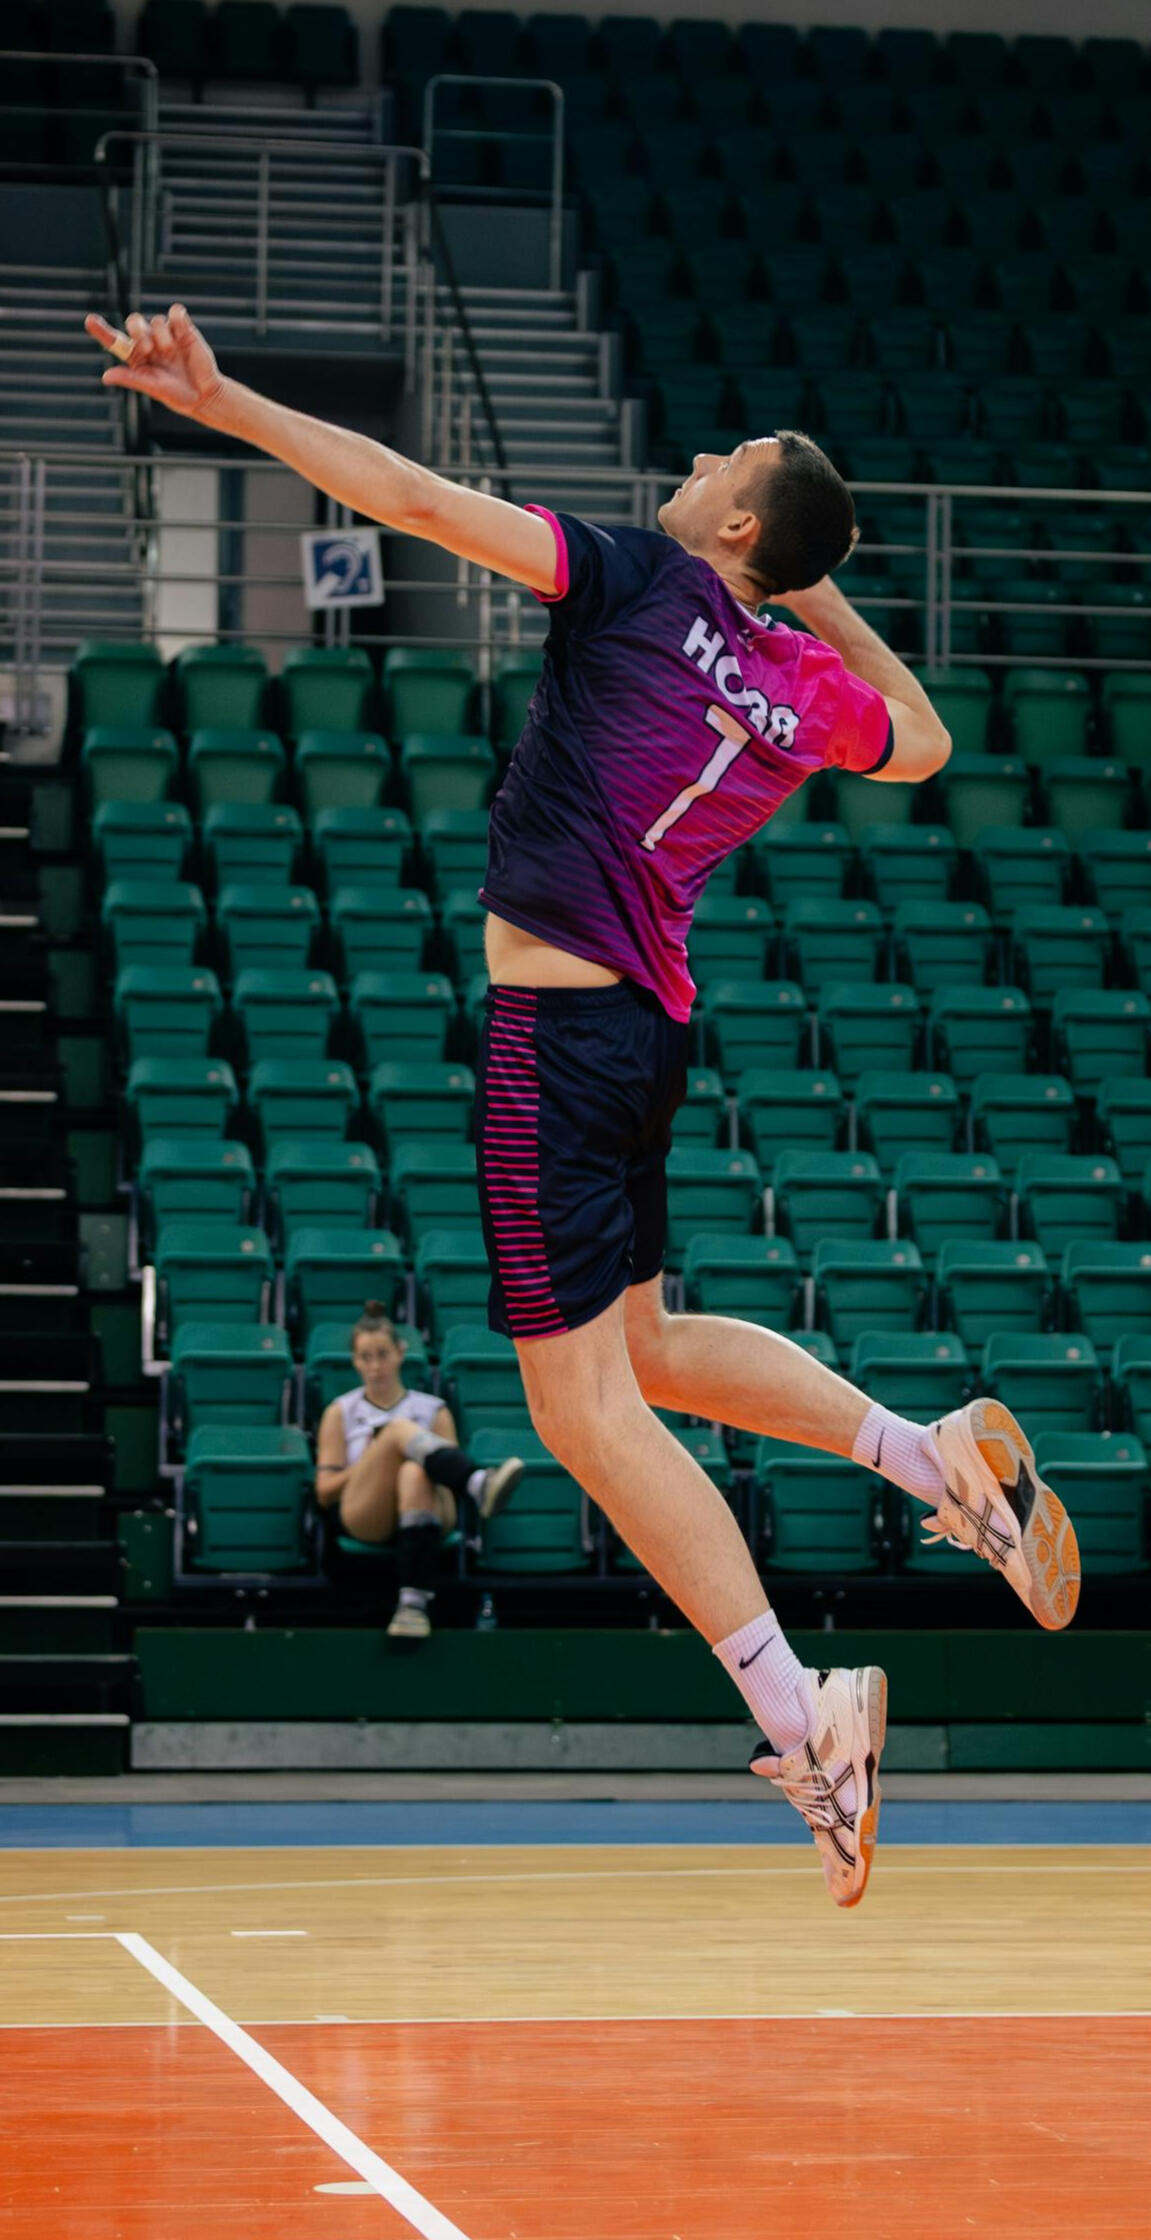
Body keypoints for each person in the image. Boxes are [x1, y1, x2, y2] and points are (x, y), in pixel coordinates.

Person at [88, 306, 1081, 1905]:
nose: (688, 465)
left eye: (719, 465)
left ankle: (803, 1714)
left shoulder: (627, 576)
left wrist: (229, 405)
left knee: (576, 1412)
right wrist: (806, 588)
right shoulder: (793, 688)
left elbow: (410, 499)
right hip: (641, 1034)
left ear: (733, 524)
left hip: (555, 1039)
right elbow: (927, 739)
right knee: (650, 1351)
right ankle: (927, 1452)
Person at [313, 1301, 523, 1641]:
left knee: (413, 1472)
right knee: (397, 1432)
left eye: (383, 1354)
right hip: (367, 1511)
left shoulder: (432, 1409)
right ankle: (477, 1481)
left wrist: (403, 1456)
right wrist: (374, 1458)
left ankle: (412, 1604)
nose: (375, 1366)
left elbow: (445, 1491)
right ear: (354, 1361)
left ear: (400, 1352)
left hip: (428, 1506)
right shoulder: (340, 1412)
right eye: (366, 1357)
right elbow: (324, 1491)